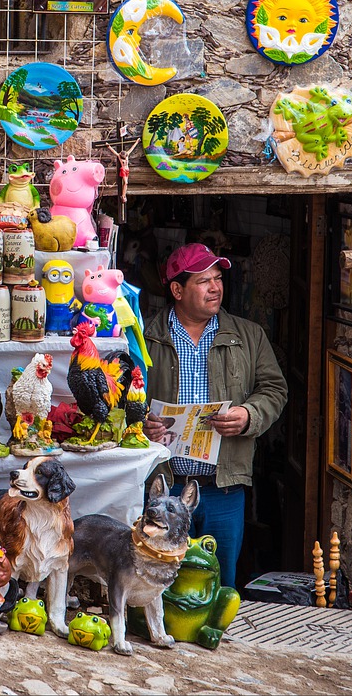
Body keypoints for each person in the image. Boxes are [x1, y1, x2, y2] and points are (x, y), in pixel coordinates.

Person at [142, 242, 288, 589]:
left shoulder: (248, 336)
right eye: (203, 281)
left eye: (218, 278)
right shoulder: (145, 337)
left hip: (222, 490)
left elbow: (275, 389)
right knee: (158, 580)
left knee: (218, 582)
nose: (215, 287)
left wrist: (248, 414)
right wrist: (141, 425)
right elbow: (122, 398)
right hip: (164, 487)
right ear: (177, 289)